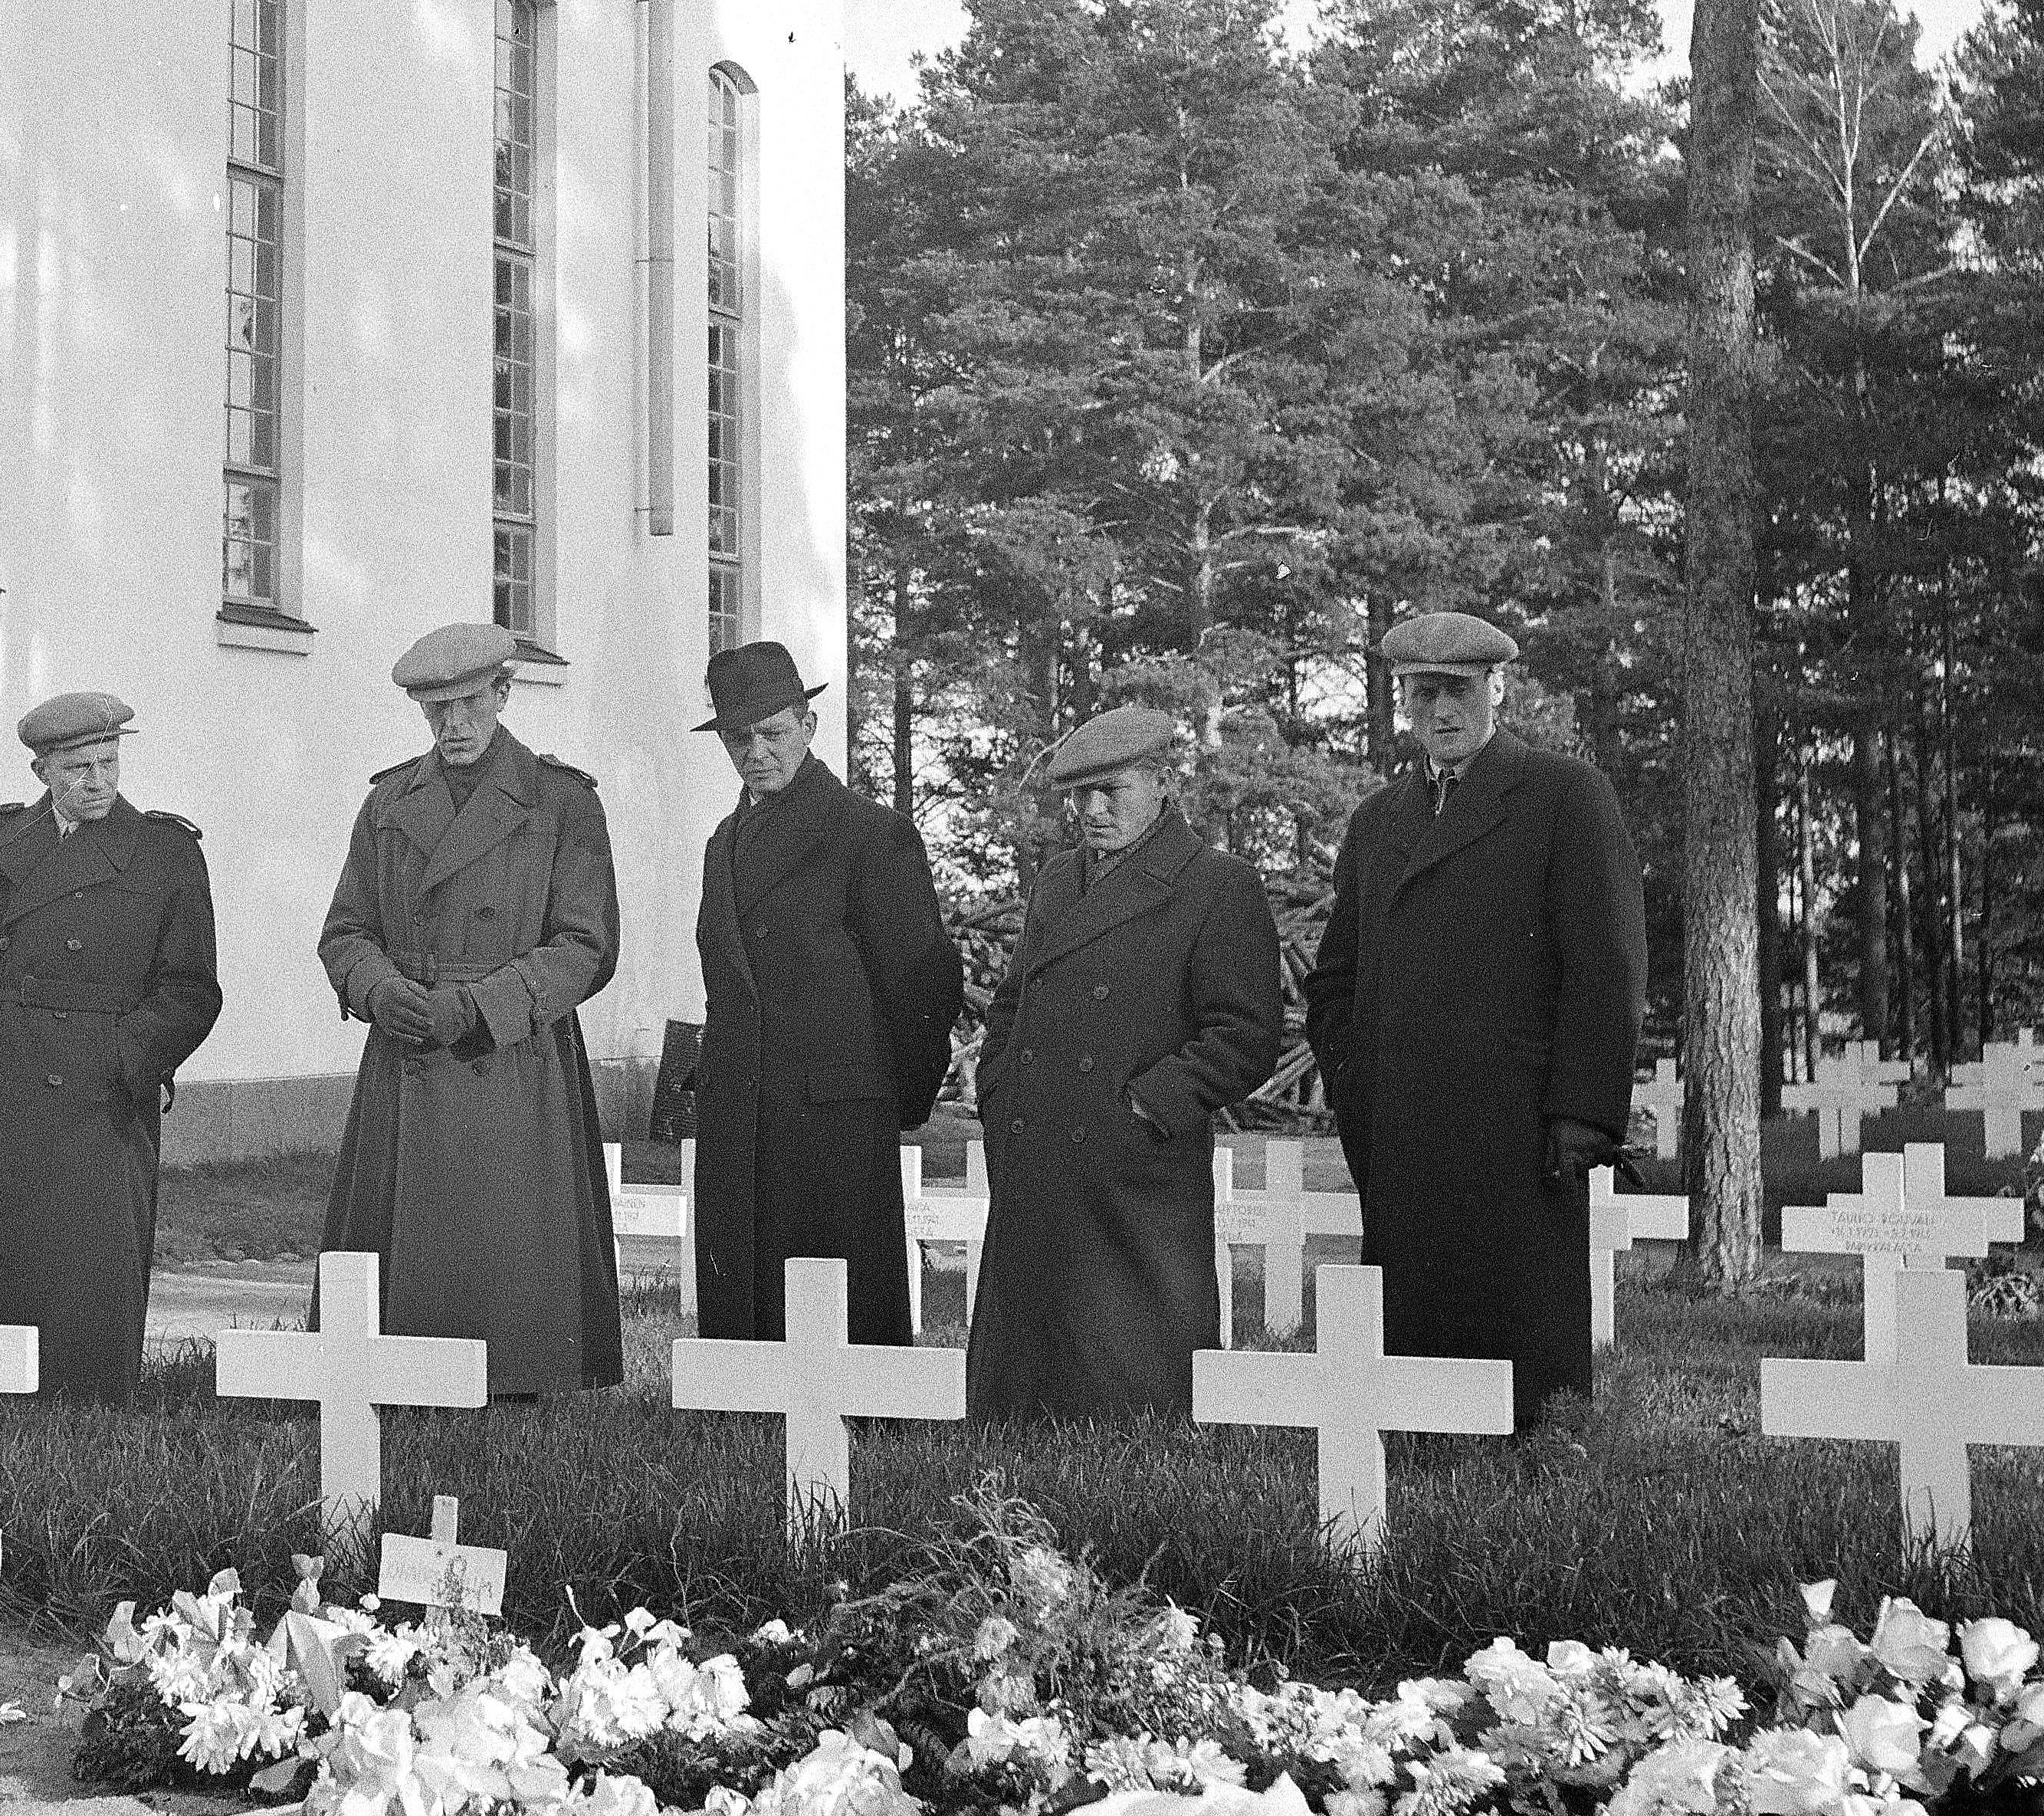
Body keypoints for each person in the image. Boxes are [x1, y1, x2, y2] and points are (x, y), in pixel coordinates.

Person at [1302, 611, 1648, 1430]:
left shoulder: (1565, 795)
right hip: (1403, 1127)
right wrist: (1360, 1087)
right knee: (1414, 1351)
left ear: (1500, 688)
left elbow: (1608, 966)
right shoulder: (1378, 821)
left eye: (1458, 691)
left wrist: (1581, 1114)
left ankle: (1533, 1457)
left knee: (1523, 1360)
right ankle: (1419, 1447)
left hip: (1518, 1130)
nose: (1441, 713)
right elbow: (1336, 981)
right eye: (1422, 694)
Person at [317, 622, 622, 1393]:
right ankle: (391, 1374)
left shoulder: (560, 803)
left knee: (508, 1241)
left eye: (469, 705)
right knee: (400, 1268)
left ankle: (520, 1371)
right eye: (436, 710)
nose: (454, 726)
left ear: (503, 694)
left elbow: (586, 946)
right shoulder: (389, 803)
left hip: (510, 1052)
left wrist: (483, 1008)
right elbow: (346, 929)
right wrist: (379, 989)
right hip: (408, 1039)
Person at [0, 691, 222, 1403]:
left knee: (82, 1280)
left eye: (108, 762)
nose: (98, 781)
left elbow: (190, 989)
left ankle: (78, 1407)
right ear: (42, 770)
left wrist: (126, 1061)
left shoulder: (164, 853)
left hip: (96, 1102)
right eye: (78, 768)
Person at [965, 703, 1285, 1421]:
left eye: (1115, 790)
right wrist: (999, 1084)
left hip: (1134, 1165)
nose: (1095, 809)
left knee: (1128, 1384)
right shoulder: (1056, 880)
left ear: (1164, 783)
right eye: (1081, 794)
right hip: (1036, 1146)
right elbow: (1011, 1002)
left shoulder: (1216, 883)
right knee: (1022, 1393)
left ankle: (1134, 1459)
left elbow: (1245, 1033)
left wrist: (1146, 1105)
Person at [686, 639, 966, 1343]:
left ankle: (859, 1408)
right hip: (740, 1101)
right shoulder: (724, 840)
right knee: (744, 1290)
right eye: (737, 737)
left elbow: (920, 982)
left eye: (773, 732)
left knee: (837, 1294)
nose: (756, 751)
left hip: (833, 1109)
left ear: (808, 728)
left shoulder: (869, 834)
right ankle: (743, 1399)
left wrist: (895, 1095)